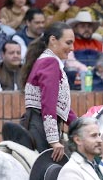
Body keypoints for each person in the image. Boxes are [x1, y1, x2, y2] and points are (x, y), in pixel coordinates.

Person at [21, 22, 77, 161]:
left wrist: (82, 126)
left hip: (38, 124)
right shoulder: (50, 62)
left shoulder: (47, 61)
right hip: (40, 128)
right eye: (68, 43)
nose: (72, 48)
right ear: (53, 40)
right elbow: (48, 104)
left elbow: (60, 106)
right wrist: (53, 140)